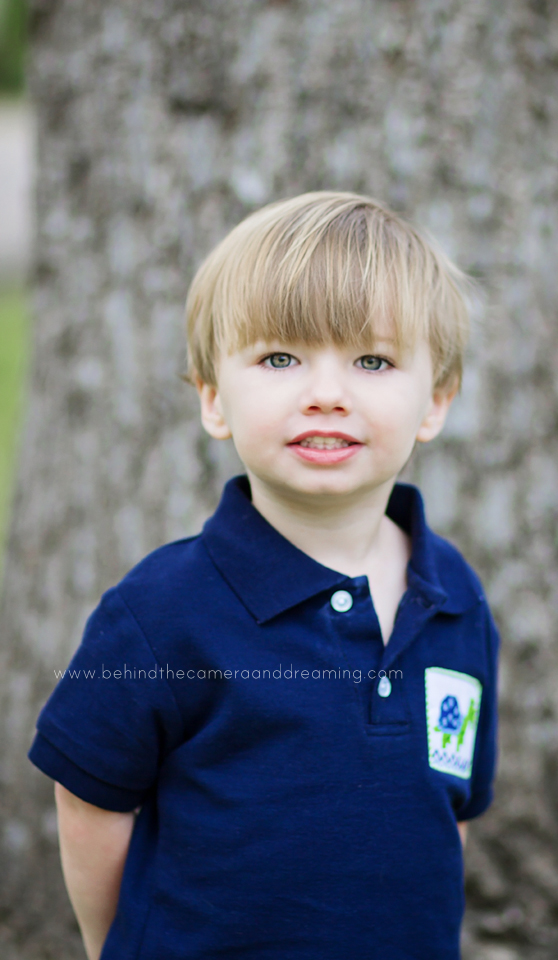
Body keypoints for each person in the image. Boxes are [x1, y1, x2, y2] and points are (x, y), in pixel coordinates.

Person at [28, 191, 500, 960]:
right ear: (214, 399)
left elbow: (450, 811)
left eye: (373, 361)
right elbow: (89, 799)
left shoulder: (453, 598)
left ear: (435, 402)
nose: (327, 394)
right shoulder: (159, 612)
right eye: (280, 358)